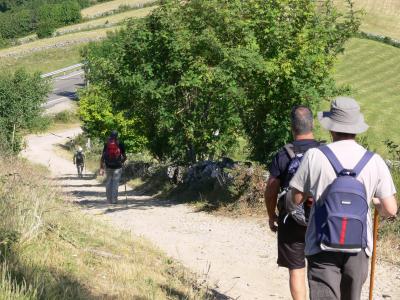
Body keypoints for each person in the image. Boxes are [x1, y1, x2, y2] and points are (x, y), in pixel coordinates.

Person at [290, 97, 398, 300]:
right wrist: (374, 202)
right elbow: (390, 209)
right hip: (358, 246)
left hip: (321, 244)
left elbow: (295, 198)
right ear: (356, 128)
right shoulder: (374, 161)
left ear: (331, 128)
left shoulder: (315, 156)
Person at [265, 105, 321, 300]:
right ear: (313, 125)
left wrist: (272, 215)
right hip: (320, 219)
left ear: (292, 127)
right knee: (320, 268)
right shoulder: (325, 152)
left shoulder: (284, 154)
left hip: (291, 218)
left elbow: (272, 187)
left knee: (296, 270)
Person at [99, 130, 127, 204]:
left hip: (108, 166)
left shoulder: (106, 143)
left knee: (108, 183)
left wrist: (101, 167)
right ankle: (114, 200)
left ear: (110, 135)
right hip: (118, 167)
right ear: (117, 136)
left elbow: (102, 157)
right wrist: (121, 162)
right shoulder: (120, 143)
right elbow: (125, 156)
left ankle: (109, 200)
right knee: (115, 184)